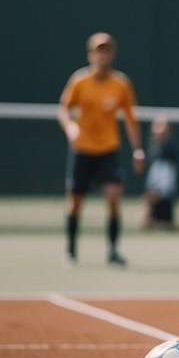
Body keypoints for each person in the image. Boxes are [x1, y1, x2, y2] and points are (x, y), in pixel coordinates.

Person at [57, 32, 144, 267]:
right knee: (75, 203)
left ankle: (113, 250)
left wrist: (138, 150)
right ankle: (71, 250)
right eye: (99, 50)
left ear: (112, 54)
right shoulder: (79, 81)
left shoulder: (121, 84)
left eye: (107, 50)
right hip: (82, 150)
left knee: (114, 198)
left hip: (107, 150)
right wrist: (70, 128)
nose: (102, 55)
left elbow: (130, 118)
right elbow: (63, 110)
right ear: (90, 55)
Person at [141, 114, 179, 230]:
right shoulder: (153, 144)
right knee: (152, 197)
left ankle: (165, 220)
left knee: (163, 199)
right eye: (156, 125)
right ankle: (149, 217)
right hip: (155, 173)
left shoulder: (170, 144)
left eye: (162, 125)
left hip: (165, 174)